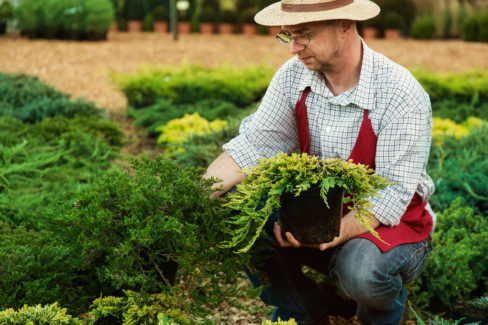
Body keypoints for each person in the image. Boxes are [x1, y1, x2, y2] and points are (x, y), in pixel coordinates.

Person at [205, 0, 436, 324]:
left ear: (344, 25)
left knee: (361, 272)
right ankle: (302, 310)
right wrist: (192, 196)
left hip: (389, 228)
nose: (293, 48)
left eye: (304, 34)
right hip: (313, 217)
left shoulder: (399, 93)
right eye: (288, 35)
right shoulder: (293, 78)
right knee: (236, 207)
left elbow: (390, 197)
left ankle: (382, 311)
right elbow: (254, 146)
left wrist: (332, 233)